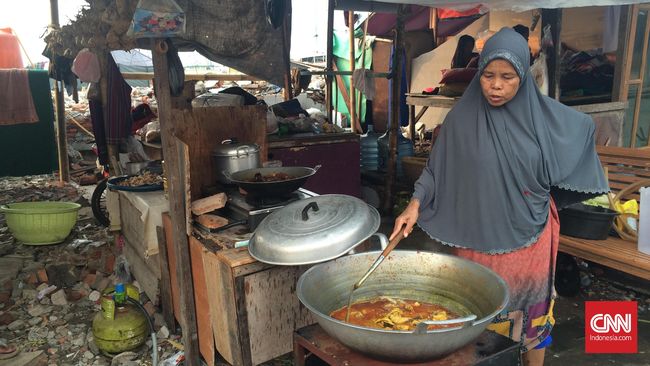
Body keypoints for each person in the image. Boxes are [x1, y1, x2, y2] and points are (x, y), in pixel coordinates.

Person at [391, 28, 608, 366]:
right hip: (474, 235)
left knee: (534, 315)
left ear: (523, 74)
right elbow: (436, 170)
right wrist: (414, 204)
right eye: (488, 75)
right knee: (477, 315)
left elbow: (582, 132)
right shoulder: (461, 120)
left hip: (530, 236)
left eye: (508, 77)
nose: (496, 85)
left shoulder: (544, 118)